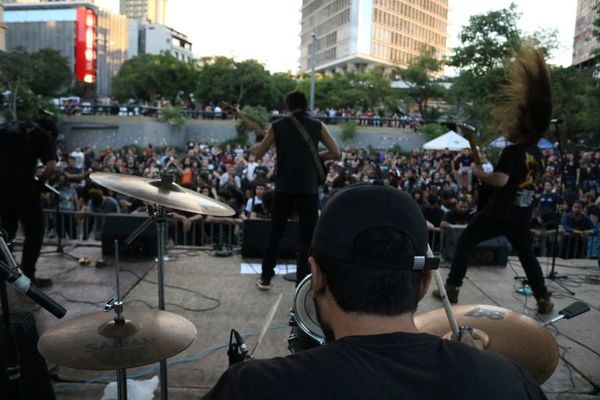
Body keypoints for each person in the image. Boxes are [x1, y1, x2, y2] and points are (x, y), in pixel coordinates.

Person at [202, 184, 547, 400]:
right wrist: (476, 365)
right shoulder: (507, 382)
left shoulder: (253, 388)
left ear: (316, 277)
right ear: (425, 281)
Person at [433, 46, 554, 314]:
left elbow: (500, 180)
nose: (507, 126)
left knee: (466, 242)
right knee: (527, 256)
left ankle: (452, 288)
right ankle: (543, 299)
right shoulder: (537, 153)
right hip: (522, 214)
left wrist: (480, 174)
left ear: (521, 125)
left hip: (500, 211)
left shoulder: (513, 151)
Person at [252, 90, 340, 289]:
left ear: (287, 105)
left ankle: (266, 277)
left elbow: (258, 154)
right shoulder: (318, 125)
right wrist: (316, 158)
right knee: (307, 238)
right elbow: (336, 153)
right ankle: (302, 282)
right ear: (305, 105)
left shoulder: (278, 126)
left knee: (276, 233)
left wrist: (259, 140)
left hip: (284, 187)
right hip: (308, 189)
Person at [0, 112, 58, 287]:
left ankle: (4, 274)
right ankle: (27, 278)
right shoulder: (41, 133)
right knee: (34, 232)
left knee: (6, 232)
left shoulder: (4, 128)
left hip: (1, 189)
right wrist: (41, 180)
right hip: (24, 189)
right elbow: (51, 167)